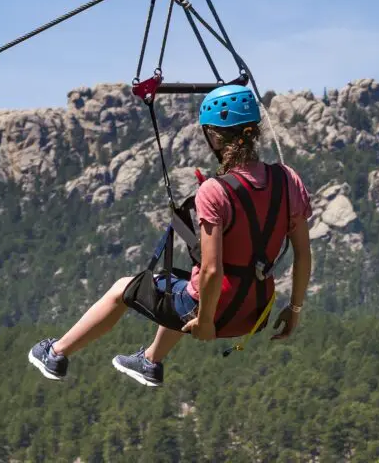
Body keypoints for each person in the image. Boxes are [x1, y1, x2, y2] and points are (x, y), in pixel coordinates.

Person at [28, 83, 313, 387]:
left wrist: (205, 322)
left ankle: (56, 354)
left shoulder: (215, 191)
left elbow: (212, 271)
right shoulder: (287, 179)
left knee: (123, 289)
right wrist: (294, 310)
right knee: (175, 282)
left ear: (214, 136)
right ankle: (150, 361)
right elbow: (303, 255)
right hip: (255, 310)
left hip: (213, 312)